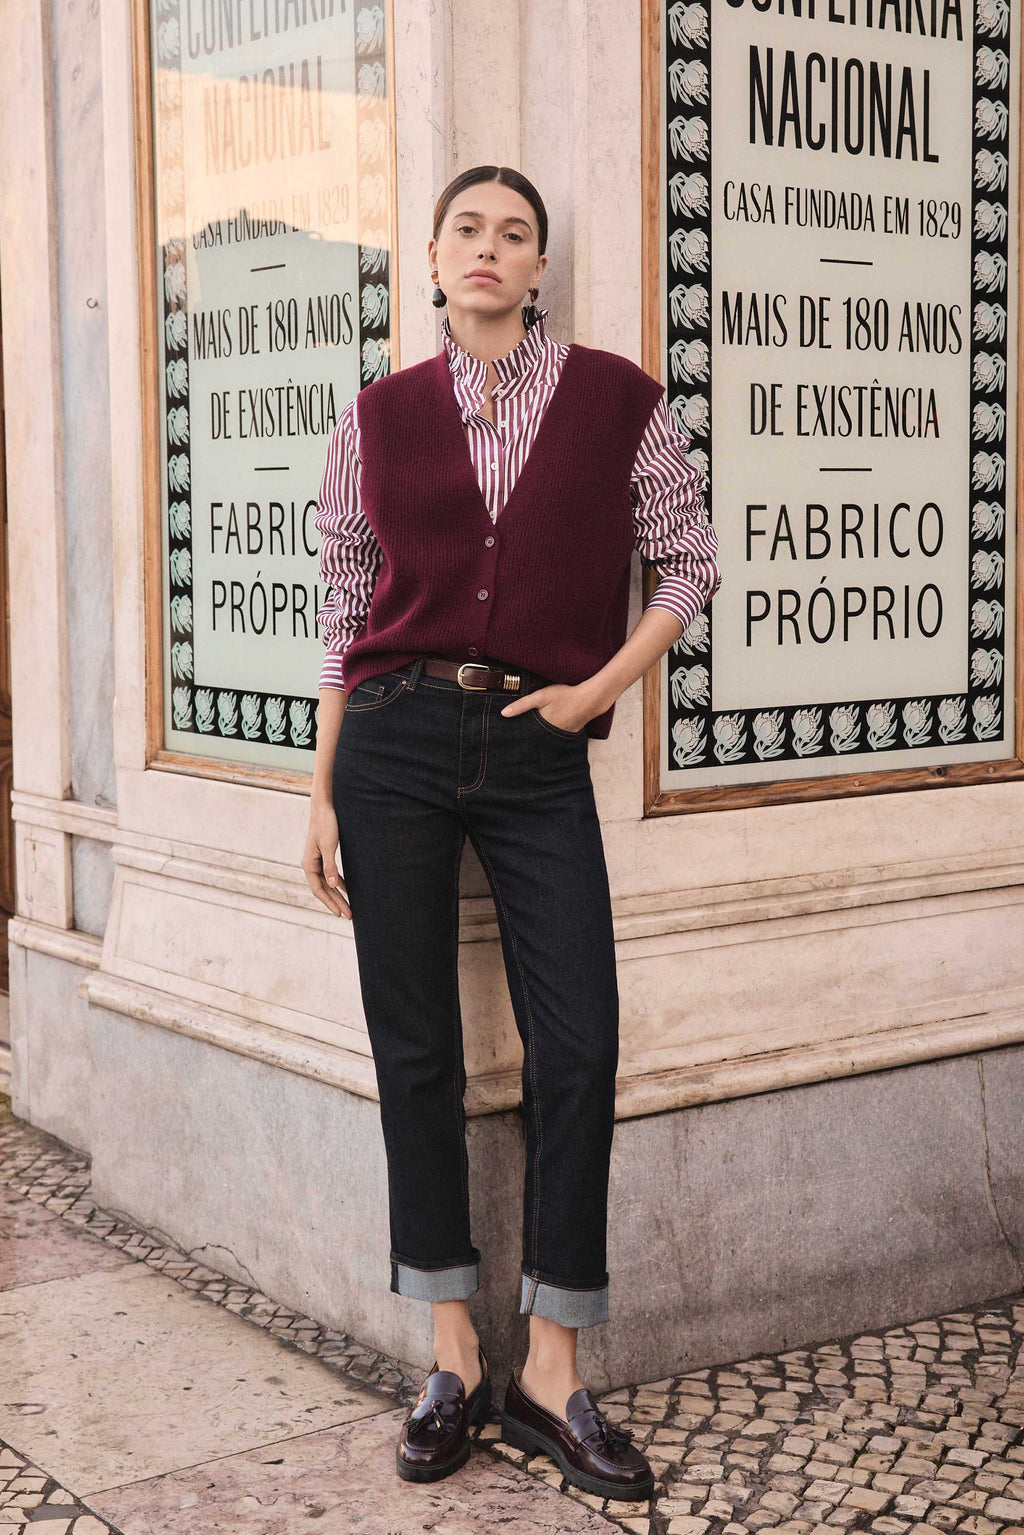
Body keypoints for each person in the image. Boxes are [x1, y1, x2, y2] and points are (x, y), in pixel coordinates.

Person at [302, 165, 720, 1499]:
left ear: (540, 267)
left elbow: (691, 561)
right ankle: (448, 1356)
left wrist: (596, 692)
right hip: (393, 741)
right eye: (468, 229)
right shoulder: (376, 417)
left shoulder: (617, 401)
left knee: (579, 1044)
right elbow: (344, 607)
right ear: (433, 257)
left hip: (540, 746)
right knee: (415, 1045)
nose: (489, 248)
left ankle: (552, 1370)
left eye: (516, 233)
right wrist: (320, 788)